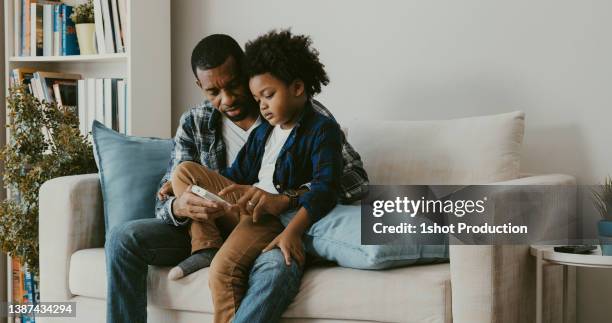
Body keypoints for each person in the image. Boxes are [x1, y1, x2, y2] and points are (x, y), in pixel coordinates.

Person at [105, 33, 368, 323]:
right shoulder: (197, 122)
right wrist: (180, 206)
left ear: (245, 71)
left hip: (268, 220)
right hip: (214, 220)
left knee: (277, 266)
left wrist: (286, 199)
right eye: (213, 92)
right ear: (200, 87)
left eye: (233, 86)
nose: (227, 99)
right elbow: (184, 192)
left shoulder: (302, 116)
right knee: (127, 232)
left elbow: (354, 181)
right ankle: (205, 246)